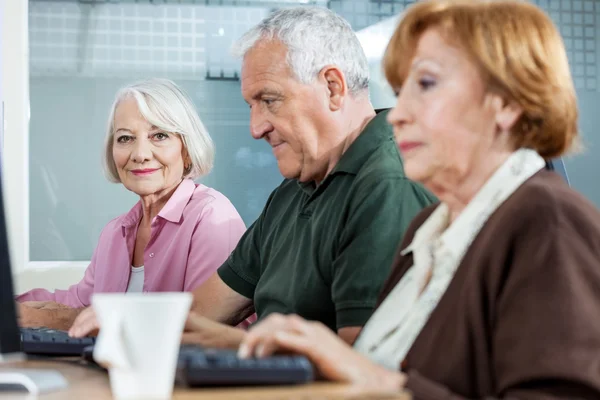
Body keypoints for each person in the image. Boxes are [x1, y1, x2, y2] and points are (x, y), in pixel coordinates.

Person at [234, 1, 600, 398]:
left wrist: (380, 383)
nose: (398, 113)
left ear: (508, 101)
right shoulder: (429, 229)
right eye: (399, 91)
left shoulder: (547, 220)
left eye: (425, 84)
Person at [69, 7, 437, 346]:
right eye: (251, 105)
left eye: (270, 100)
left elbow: (362, 367)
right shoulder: (294, 191)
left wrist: (242, 346)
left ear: (333, 87)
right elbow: (200, 312)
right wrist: (123, 318)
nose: (255, 128)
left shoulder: (386, 185)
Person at [17, 78, 246, 332]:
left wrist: (60, 319)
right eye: (125, 138)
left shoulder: (211, 217)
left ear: (187, 149)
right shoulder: (116, 233)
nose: (140, 154)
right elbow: (79, 301)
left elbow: (201, 326)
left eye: (159, 135)